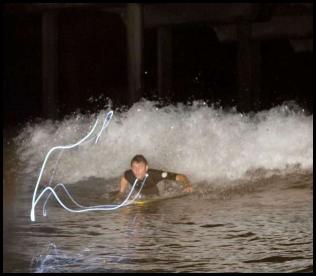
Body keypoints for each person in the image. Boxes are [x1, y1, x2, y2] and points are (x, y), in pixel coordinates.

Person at [113, 154, 193, 201]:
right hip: (144, 193)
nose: (137, 170)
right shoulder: (129, 174)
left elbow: (180, 176)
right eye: (134, 167)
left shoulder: (154, 174)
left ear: (146, 168)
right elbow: (124, 177)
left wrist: (187, 184)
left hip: (158, 191)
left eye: (140, 167)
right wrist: (121, 192)